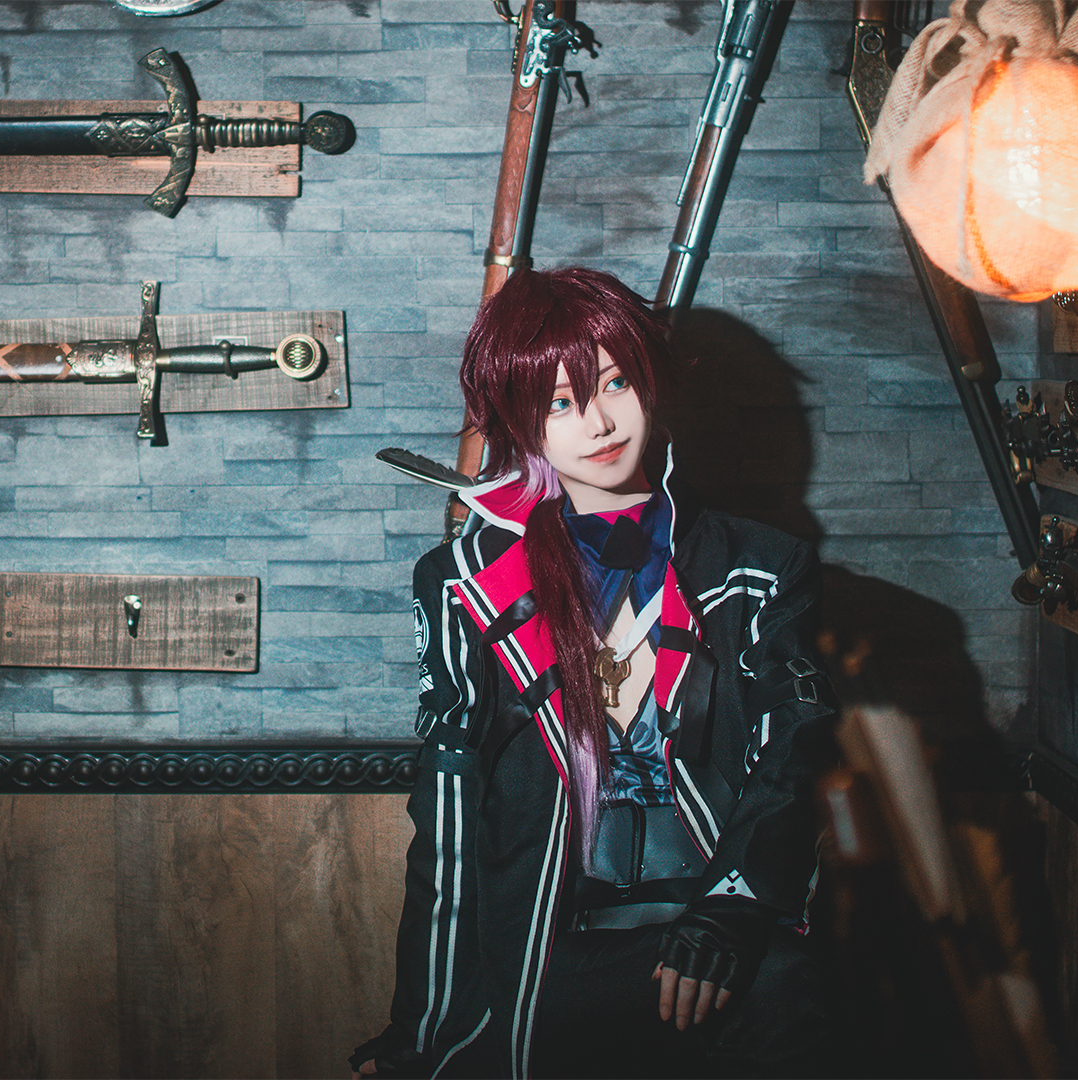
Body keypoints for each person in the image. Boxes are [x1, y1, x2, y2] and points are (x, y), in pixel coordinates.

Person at [351, 267, 839, 1078]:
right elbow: (448, 818)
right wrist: (418, 1030)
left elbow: (792, 750)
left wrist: (734, 909)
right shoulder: (464, 582)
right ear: (519, 419)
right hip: (551, 949)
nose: (600, 423)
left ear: (652, 382)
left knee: (786, 993)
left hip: (718, 937)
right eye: (559, 402)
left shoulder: (758, 566)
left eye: (616, 383)